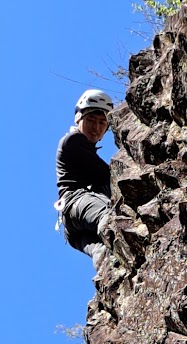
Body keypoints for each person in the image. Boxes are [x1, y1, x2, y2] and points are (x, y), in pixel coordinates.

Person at [55, 89, 114, 265]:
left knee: (103, 256)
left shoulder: (80, 147)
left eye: (102, 123)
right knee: (111, 218)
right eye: (91, 120)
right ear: (78, 119)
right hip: (79, 202)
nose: (96, 128)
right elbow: (106, 175)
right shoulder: (73, 141)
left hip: (72, 227)